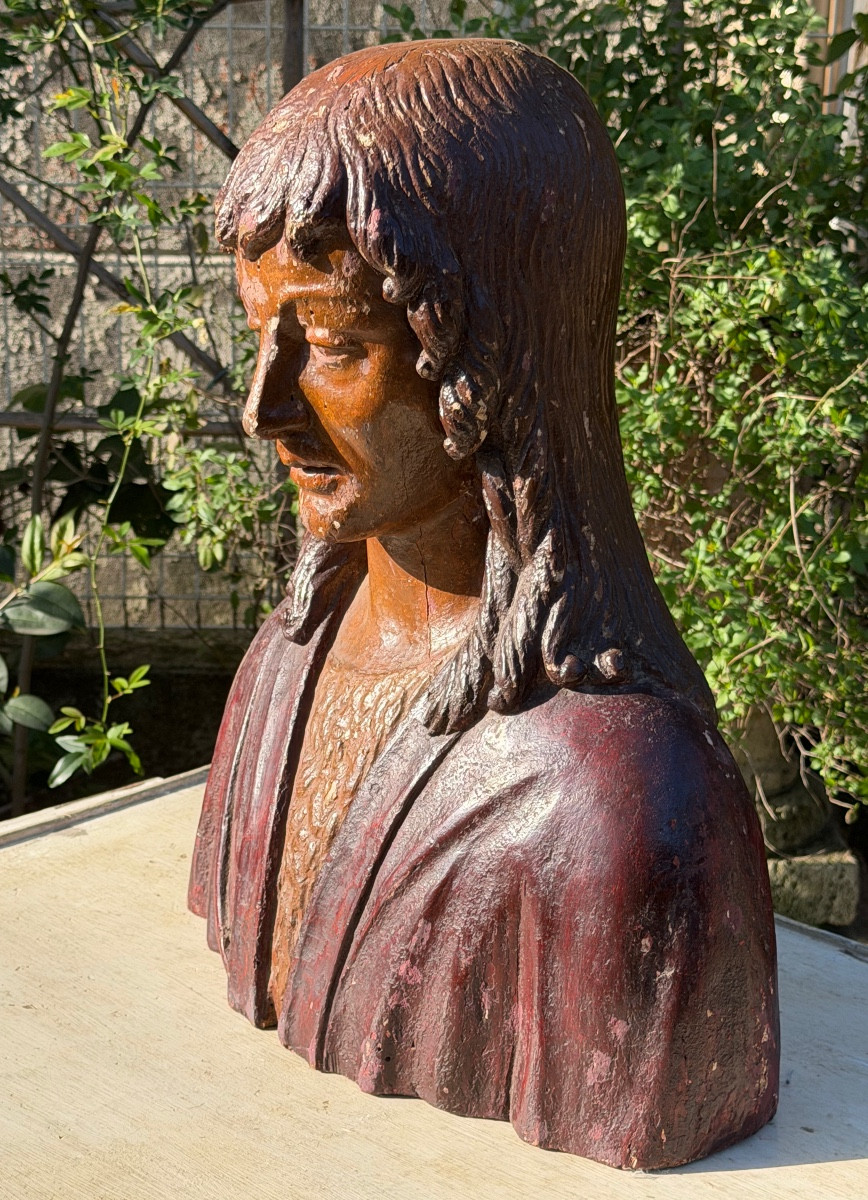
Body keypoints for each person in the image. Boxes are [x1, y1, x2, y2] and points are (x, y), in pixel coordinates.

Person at [188, 38, 779, 1170]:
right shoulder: (278, 671)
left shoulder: (620, 806)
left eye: (332, 346)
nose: (263, 409)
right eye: (255, 335)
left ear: (489, 360)